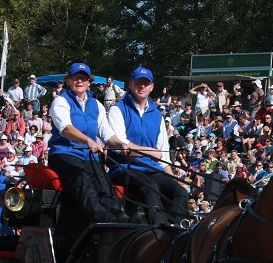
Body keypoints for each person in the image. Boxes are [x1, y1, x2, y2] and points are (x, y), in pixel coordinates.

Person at [48, 62, 129, 223]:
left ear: (89, 83)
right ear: (69, 81)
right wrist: (88, 141)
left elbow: (107, 134)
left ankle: (119, 218)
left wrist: (120, 145)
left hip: (88, 156)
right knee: (83, 182)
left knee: (103, 184)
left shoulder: (96, 105)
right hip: (64, 153)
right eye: (75, 78)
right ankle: (102, 220)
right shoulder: (61, 101)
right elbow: (66, 129)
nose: (79, 81)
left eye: (83, 79)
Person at [107, 67, 189, 226]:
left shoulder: (157, 114)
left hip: (151, 169)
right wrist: (149, 152)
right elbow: (119, 145)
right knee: (151, 186)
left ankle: (179, 233)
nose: (142, 86)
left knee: (180, 191)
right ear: (130, 84)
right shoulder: (118, 109)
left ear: (152, 87)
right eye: (138, 82)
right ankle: (161, 231)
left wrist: (171, 178)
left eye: (146, 83)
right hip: (123, 167)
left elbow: (163, 156)